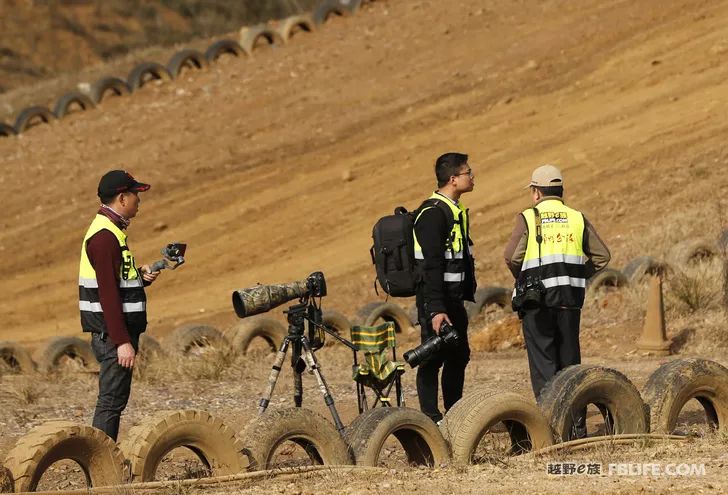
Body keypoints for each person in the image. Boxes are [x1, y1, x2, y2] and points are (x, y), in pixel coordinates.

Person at [504, 164, 610, 407]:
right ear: (560, 191)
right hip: (569, 301)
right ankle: (575, 426)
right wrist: (577, 274)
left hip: (536, 301)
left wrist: (521, 276)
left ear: (537, 193)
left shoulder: (529, 217)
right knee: (570, 365)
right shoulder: (576, 218)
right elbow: (603, 256)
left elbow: (511, 257)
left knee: (544, 367)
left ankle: (551, 425)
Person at [79, 170, 160, 441]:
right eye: (136, 194)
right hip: (112, 336)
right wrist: (122, 341)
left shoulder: (111, 232)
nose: (139, 199)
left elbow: (116, 280)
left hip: (113, 334)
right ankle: (101, 468)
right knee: (110, 403)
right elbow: (108, 295)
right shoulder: (104, 237)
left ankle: (102, 464)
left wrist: (140, 276)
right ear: (122, 198)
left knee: (114, 402)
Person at [413, 152, 477, 423]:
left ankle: (454, 414)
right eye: (468, 172)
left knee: (459, 354)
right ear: (453, 179)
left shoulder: (454, 210)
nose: (473, 177)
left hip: (453, 300)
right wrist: (436, 309)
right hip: (435, 302)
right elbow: (432, 266)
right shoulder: (432, 214)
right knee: (431, 358)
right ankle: (430, 418)